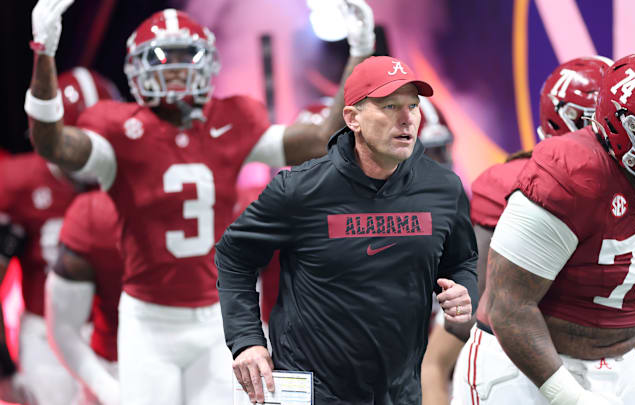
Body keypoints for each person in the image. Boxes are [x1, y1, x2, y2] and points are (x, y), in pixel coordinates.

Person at [26, 0, 375, 403]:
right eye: (161, 58)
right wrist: (44, 55)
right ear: (136, 67)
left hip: (217, 317)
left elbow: (319, 139)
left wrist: (360, 50)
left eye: (186, 57)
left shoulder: (232, 120)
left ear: (208, 62)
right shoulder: (120, 130)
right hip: (148, 321)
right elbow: (51, 144)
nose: (175, 70)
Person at [215, 55, 479, 404]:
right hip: (312, 391)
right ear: (353, 118)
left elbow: (463, 261)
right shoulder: (300, 189)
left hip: (399, 391)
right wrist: (247, 340)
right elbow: (233, 255)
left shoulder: (444, 188)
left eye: (412, 106)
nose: (406, 118)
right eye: (390, 106)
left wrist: (464, 291)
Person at [478, 52, 635, 404]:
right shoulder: (568, 176)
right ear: (623, 128)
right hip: (521, 364)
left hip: (618, 361)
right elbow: (509, 307)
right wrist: (571, 397)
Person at [433, 56, 613, 405]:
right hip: (516, 368)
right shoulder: (517, 188)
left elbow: (631, 302)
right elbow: (446, 348)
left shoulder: (629, 199)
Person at [0, 66, 118, 405]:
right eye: (75, 141)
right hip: (47, 340)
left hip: (117, 335)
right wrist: (4, 368)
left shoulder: (129, 176)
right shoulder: (19, 183)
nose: (86, 154)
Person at [45, 190, 123, 405]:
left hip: (117, 366)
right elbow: (63, 330)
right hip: (115, 364)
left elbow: (62, 330)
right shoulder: (95, 214)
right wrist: (107, 389)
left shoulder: (93, 211)